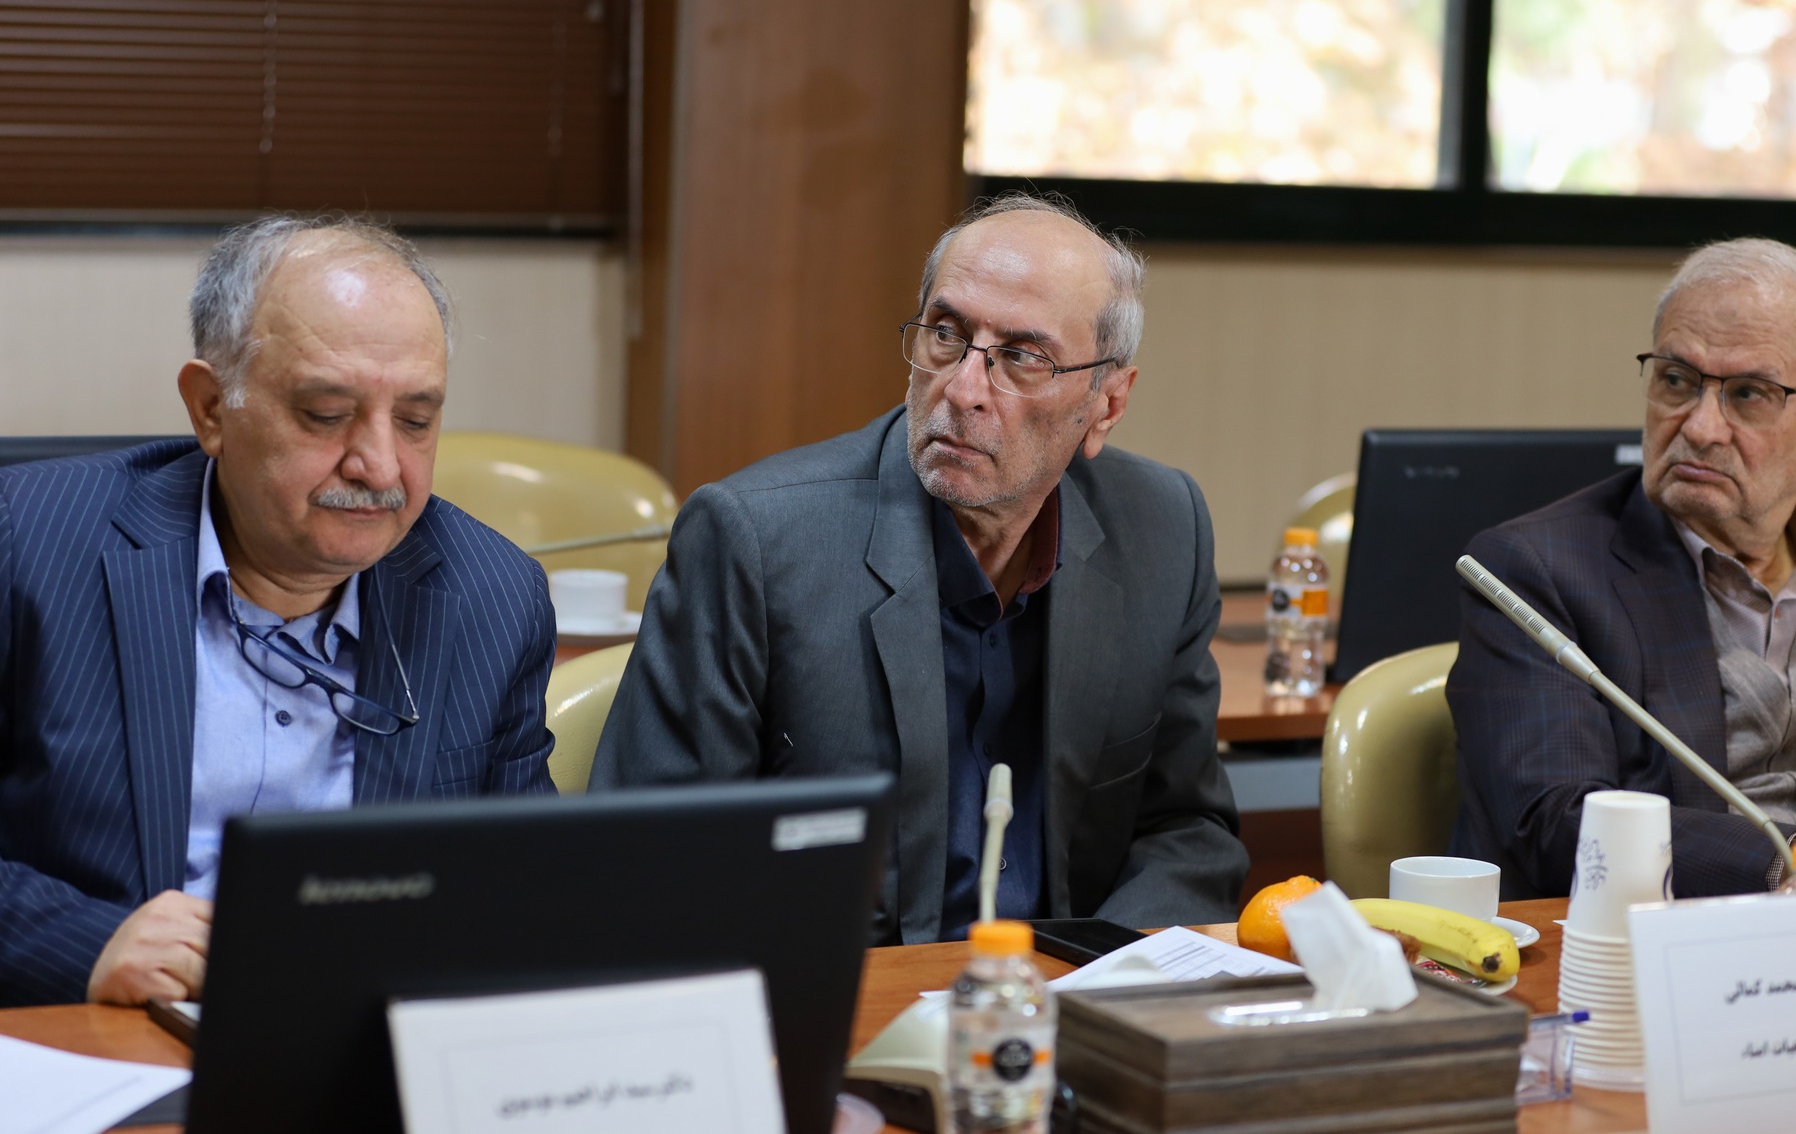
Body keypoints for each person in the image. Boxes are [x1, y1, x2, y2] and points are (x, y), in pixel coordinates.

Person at [592, 192, 1248, 943]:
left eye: (1022, 357)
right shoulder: (755, 541)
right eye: (946, 334)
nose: (963, 389)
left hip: (1069, 989)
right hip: (847, 995)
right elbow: (657, 858)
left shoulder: (1162, 529)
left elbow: (1186, 829)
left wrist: (1100, 978)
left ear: (1106, 404)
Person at [0, 216, 556, 1008]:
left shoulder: (492, 597)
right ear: (211, 408)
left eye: (416, 420)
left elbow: (528, 886)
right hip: (100, 1035)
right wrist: (85, 940)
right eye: (326, 413)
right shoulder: (27, 543)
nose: (379, 466)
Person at [1448, 238, 1796, 937]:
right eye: (1677, 379)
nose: (1701, 427)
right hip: (1688, 945)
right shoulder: (1537, 569)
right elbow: (1557, 821)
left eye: (1748, 394)